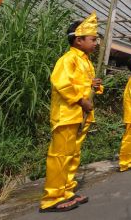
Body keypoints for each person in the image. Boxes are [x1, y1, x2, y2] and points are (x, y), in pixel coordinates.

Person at [40, 12, 102, 212]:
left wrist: (94, 85)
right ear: (78, 40)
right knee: (60, 155)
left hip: (79, 116)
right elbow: (62, 83)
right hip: (67, 114)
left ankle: (66, 190)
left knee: (72, 155)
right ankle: (52, 198)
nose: (96, 43)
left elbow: (84, 83)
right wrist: (81, 100)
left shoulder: (85, 61)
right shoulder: (68, 59)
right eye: (93, 39)